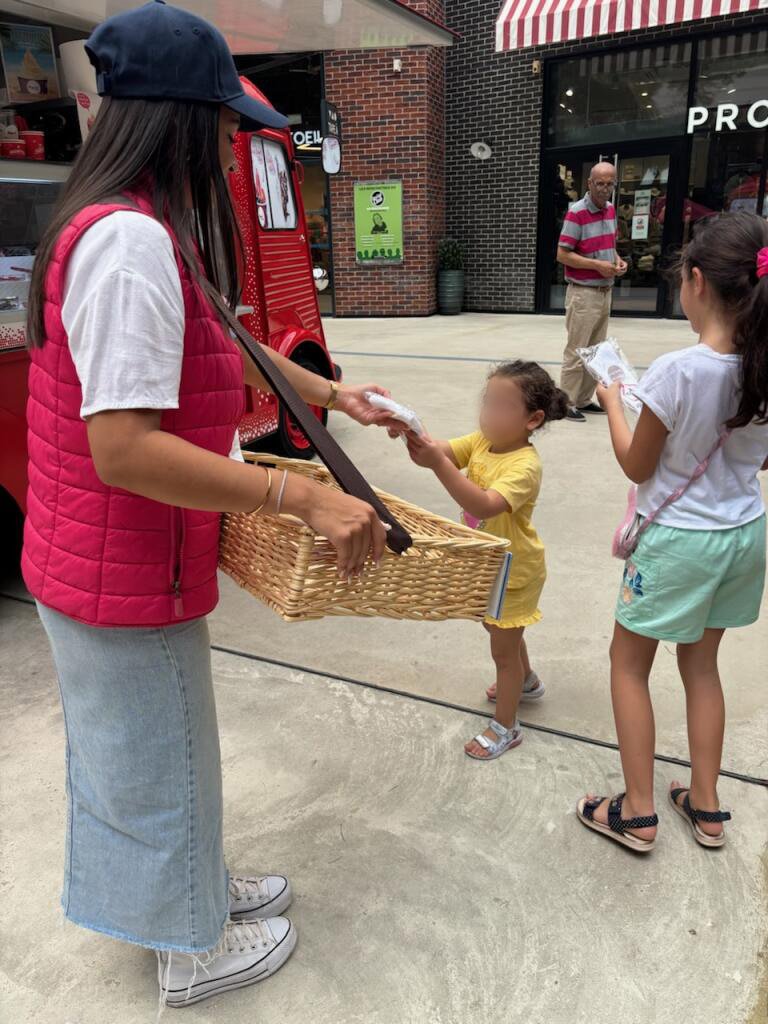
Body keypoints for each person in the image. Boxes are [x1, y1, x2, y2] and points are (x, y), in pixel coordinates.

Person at [23, 1, 401, 1010]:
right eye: (228, 120)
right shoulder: (131, 245)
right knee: (154, 756)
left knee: (151, 752)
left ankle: (189, 893)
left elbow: (224, 337)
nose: (237, 137)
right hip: (120, 562)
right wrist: (296, 497)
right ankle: (188, 947)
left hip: (111, 560)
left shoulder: (139, 225)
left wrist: (329, 395)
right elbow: (126, 450)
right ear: (184, 121)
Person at [577, 212, 768, 853]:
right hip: (743, 533)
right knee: (703, 665)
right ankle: (706, 805)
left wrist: (611, 401)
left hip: (679, 541)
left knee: (628, 665)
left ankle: (636, 810)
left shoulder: (678, 370)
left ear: (695, 281)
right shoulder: (764, 365)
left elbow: (637, 463)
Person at [402, 362, 568, 760]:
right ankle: (526, 682)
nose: (489, 414)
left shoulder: (524, 466)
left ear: (533, 419)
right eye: (487, 402)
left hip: (515, 572)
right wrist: (413, 434)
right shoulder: (482, 441)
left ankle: (506, 727)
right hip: (490, 567)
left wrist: (437, 464)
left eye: (501, 406)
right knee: (503, 632)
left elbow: (482, 502)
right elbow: (442, 451)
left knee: (502, 653)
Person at [557, 162, 628, 422]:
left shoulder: (610, 210)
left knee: (595, 352)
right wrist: (597, 265)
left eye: (610, 183)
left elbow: (610, 246)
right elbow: (562, 254)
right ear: (589, 183)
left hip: (604, 292)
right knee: (577, 350)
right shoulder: (576, 213)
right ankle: (565, 402)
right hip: (583, 293)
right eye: (600, 183)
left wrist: (617, 260)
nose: (605, 189)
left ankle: (584, 399)